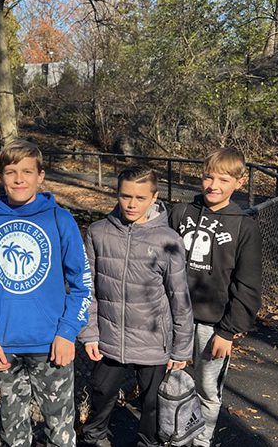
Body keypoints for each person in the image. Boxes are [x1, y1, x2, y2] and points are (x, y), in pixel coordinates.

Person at [0, 139, 92, 447]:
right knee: (13, 435)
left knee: (60, 431)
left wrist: (68, 332)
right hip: (4, 348)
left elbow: (82, 284)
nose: (18, 179)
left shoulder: (60, 219)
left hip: (52, 346)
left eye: (27, 171)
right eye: (11, 171)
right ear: (0, 176)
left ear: (41, 176)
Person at [79, 166, 193, 447]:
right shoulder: (98, 232)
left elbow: (179, 297)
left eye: (140, 198)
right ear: (117, 194)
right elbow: (87, 288)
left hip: (154, 343)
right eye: (125, 196)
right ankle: (95, 439)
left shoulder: (168, 240)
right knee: (101, 395)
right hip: (108, 337)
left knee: (153, 408)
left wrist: (182, 347)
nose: (131, 204)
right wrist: (90, 332)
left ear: (154, 198)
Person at [168, 147, 262, 447]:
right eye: (208, 177)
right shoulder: (181, 213)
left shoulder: (243, 226)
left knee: (207, 389)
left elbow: (246, 285)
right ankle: (173, 436)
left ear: (239, 182)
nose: (213, 185)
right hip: (173, 318)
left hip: (213, 326)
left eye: (223, 179)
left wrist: (228, 330)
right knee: (171, 384)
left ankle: (201, 440)